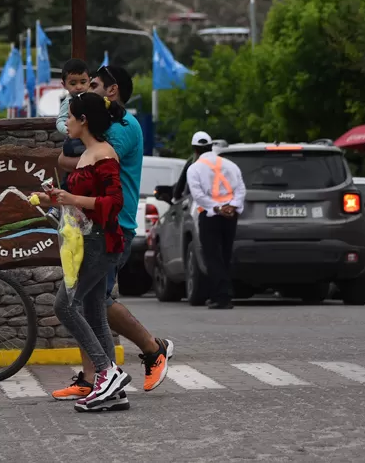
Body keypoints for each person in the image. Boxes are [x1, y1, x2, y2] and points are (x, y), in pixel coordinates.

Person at [53, 64, 174, 399]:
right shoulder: (98, 139)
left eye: (92, 83)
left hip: (108, 230)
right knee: (94, 304)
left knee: (82, 304)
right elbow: (69, 158)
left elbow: (100, 184)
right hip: (89, 229)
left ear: (112, 89)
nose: (84, 88)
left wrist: (71, 192)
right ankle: (100, 379)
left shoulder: (118, 133)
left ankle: (142, 355)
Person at [47, 92, 129, 413]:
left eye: (69, 116)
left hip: (100, 243)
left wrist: (72, 199)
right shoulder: (87, 153)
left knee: (65, 305)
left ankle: (105, 373)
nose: (65, 122)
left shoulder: (104, 154)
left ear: (83, 121)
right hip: (86, 241)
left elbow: (114, 202)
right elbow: (79, 195)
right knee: (95, 313)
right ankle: (113, 389)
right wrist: (58, 197)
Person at [186, 131, 246, 310]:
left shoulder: (194, 168)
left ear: (195, 150)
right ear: (211, 146)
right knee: (225, 255)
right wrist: (232, 207)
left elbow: (198, 195)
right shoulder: (230, 165)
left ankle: (222, 297)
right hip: (230, 216)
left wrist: (217, 208)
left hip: (210, 215)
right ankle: (220, 294)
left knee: (213, 256)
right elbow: (241, 189)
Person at [55, 58, 92, 159]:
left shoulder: (93, 100)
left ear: (89, 81)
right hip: (75, 141)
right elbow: (60, 121)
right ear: (64, 84)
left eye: (83, 82)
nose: (79, 87)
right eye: (73, 83)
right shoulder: (68, 102)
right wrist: (69, 130)